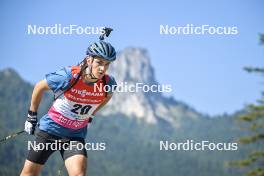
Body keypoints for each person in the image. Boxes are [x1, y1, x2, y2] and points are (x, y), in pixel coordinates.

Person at [20, 39, 117, 176]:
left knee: (78, 174)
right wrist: (31, 116)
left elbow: (107, 97)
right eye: (99, 62)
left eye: (107, 64)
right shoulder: (69, 75)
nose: (103, 68)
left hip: (74, 136)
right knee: (29, 174)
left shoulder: (108, 83)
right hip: (50, 131)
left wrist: (91, 114)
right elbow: (39, 87)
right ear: (89, 60)